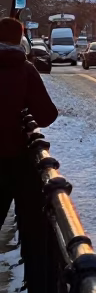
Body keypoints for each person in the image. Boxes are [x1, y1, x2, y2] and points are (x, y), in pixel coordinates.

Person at [0, 16, 58, 228]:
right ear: (20, 40)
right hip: (12, 155)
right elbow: (46, 115)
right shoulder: (25, 70)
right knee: (31, 220)